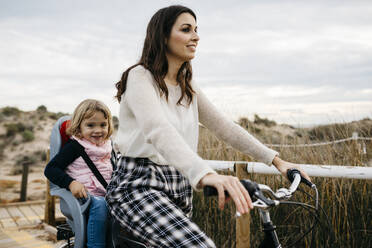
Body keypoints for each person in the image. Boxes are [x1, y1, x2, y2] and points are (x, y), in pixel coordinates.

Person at [106, 5, 311, 248]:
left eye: (196, 30)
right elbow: (157, 129)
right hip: (138, 184)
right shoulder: (140, 76)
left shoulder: (187, 84)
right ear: (162, 36)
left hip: (179, 181)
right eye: (186, 29)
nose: (196, 36)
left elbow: (224, 127)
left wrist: (277, 161)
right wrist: (207, 174)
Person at [44, 99, 114, 248]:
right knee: (100, 204)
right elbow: (51, 169)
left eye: (103, 125)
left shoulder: (108, 146)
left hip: (106, 193)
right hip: (81, 197)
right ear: (78, 127)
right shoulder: (75, 147)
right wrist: (71, 183)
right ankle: (95, 245)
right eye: (90, 125)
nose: (98, 130)